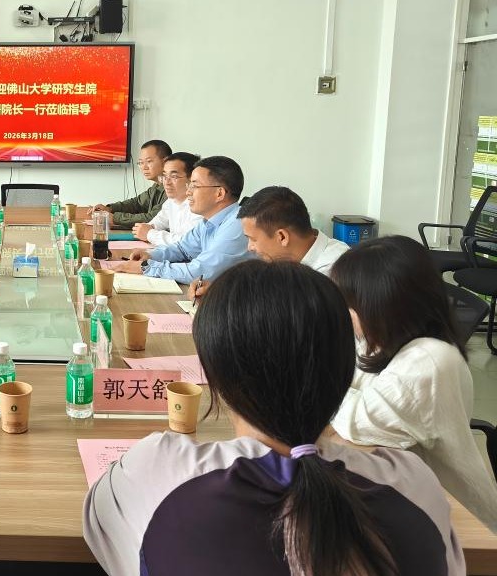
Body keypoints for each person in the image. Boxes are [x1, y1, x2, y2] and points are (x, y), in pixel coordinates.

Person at [84, 260, 463, 575]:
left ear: (215, 376)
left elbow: (107, 533)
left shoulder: (157, 471)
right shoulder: (414, 485)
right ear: (345, 370)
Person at [329, 235, 497, 532]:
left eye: (350, 306)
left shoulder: (430, 359)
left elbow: (359, 420)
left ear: (382, 307)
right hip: (411, 497)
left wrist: (319, 387)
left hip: (459, 519)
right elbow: (342, 381)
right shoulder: (381, 341)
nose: (346, 315)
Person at [186, 185, 348, 301]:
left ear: (282, 237)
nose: (250, 247)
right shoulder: (285, 260)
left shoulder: (335, 272)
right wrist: (217, 293)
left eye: (253, 239)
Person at [116, 155, 251, 283]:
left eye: (195, 186)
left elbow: (199, 272)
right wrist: (151, 255)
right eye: (189, 185)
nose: (188, 192)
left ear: (219, 193)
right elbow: (182, 249)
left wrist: (146, 266)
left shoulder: (237, 223)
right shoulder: (208, 222)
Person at [88, 140, 171, 228]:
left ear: (165, 162)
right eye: (141, 163)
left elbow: (153, 218)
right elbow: (137, 203)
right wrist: (109, 208)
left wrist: (115, 218)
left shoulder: (172, 189)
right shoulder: (157, 186)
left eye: (149, 161)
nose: (144, 167)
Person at [130, 151, 203, 246]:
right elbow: (158, 222)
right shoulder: (171, 202)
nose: (166, 182)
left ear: (192, 179)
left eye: (174, 176)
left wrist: (149, 234)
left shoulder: (201, 206)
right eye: (164, 176)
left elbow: (188, 243)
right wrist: (147, 228)